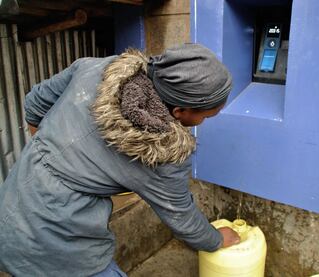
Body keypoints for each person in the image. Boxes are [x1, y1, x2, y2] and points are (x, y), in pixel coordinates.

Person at [0, 43, 240, 277]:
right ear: (179, 112)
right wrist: (216, 240)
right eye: (206, 116)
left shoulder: (96, 68)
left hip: (12, 200)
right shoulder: (162, 153)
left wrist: (50, 154)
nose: (205, 122)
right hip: (56, 239)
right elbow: (181, 217)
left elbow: (34, 104)